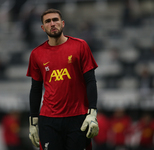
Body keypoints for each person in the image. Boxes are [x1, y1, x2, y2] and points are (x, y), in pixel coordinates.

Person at [26, 8, 99, 150]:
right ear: (43, 27)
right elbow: (35, 89)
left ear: (62, 23)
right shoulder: (36, 54)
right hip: (49, 120)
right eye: (48, 21)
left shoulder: (80, 46)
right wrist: (33, 121)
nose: (52, 24)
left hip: (78, 117)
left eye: (55, 20)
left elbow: (90, 81)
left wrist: (92, 112)